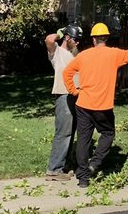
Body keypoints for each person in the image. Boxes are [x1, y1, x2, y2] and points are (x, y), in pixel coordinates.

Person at [63, 22, 128, 188]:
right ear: (106, 38)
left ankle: (83, 178)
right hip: (102, 108)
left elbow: (66, 73)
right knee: (108, 133)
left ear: (94, 39)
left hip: (83, 105)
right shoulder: (114, 54)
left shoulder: (83, 55)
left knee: (83, 140)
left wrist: (74, 91)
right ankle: (94, 164)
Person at [44, 23, 83, 179]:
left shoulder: (74, 54)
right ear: (67, 38)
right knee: (63, 133)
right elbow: (49, 39)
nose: (78, 42)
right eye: (76, 39)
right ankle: (54, 169)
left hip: (75, 96)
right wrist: (61, 32)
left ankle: (63, 165)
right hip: (63, 96)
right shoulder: (57, 52)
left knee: (70, 132)